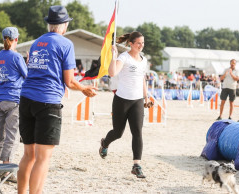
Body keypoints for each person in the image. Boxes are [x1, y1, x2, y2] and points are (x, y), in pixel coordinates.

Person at [17, 5, 97, 194]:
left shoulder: (37, 42)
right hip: (47, 101)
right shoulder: (65, 44)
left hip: (26, 98)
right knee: (43, 157)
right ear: (64, 24)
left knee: (28, 155)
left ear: (49, 24)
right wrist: (84, 88)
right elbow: (69, 81)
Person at [98, 31, 150, 179]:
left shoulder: (143, 60)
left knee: (137, 132)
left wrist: (146, 97)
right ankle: (105, 143)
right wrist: (114, 56)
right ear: (131, 44)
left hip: (137, 101)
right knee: (118, 133)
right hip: (121, 100)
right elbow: (113, 73)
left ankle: (136, 165)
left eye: (143, 43)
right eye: (138, 43)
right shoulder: (124, 57)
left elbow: (142, 80)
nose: (141, 46)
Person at [0, 27, 28, 183]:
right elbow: (27, 75)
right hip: (13, 98)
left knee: (0, 134)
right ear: (16, 39)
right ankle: (7, 170)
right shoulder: (16, 56)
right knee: (12, 136)